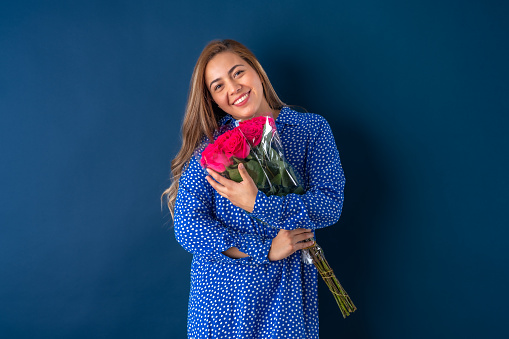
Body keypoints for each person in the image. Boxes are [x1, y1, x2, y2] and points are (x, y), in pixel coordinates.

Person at [162, 39, 345, 338]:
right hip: (221, 299)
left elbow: (329, 205)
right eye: (218, 86)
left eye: (238, 73)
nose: (233, 88)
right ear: (213, 100)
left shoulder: (311, 130)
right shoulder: (208, 149)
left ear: (257, 71)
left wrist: (258, 203)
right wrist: (264, 249)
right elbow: (188, 227)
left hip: (283, 298)